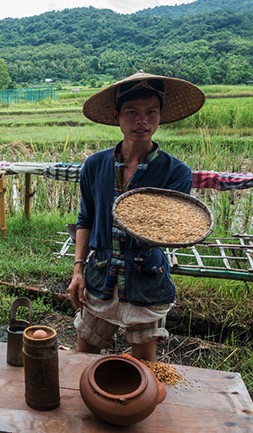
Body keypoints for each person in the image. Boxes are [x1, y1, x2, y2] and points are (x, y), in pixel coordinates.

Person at [67, 71, 205, 361]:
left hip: (145, 280)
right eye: (132, 112)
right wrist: (78, 270)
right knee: (84, 359)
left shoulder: (175, 173)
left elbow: (170, 227)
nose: (142, 121)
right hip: (101, 276)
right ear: (117, 116)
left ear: (161, 115)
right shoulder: (94, 165)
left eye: (150, 112)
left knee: (144, 366)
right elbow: (85, 220)